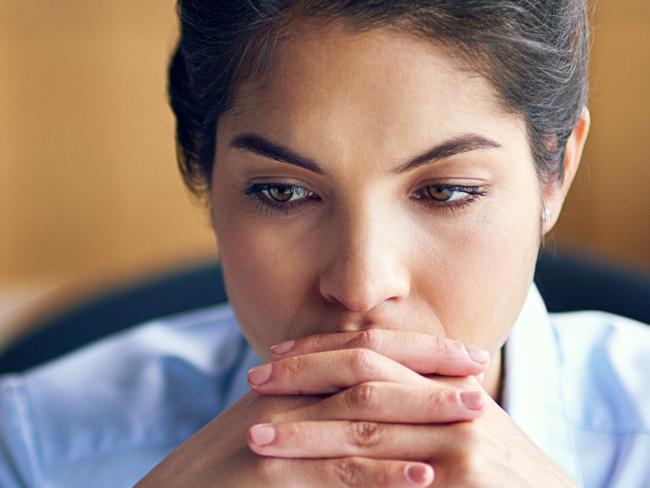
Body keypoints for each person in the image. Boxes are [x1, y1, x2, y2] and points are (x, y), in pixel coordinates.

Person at [1, 1, 648, 486]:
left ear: (556, 170)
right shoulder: (33, 448)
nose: (362, 285)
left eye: (447, 191)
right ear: (204, 172)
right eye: (282, 192)